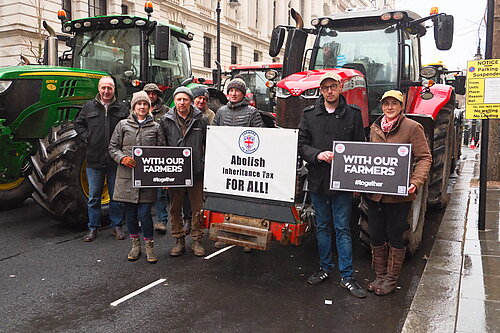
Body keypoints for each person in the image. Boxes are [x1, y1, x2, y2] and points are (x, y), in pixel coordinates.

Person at [297, 72, 366, 298]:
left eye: (333, 86)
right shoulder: (310, 115)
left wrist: (355, 179)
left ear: (340, 87)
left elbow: (359, 147)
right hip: (318, 180)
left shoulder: (353, 115)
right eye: (325, 87)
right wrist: (318, 155)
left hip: (343, 181)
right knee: (323, 226)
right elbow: (302, 145)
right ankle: (325, 268)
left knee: (343, 228)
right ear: (321, 90)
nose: (329, 91)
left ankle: (347, 276)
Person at [366, 90, 432, 296]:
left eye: (394, 103)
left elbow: (424, 157)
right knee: (375, 234)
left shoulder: (413, 127)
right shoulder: (375, 128)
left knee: (395, 235)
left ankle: (391, 280)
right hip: (375, 193)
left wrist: (415, 181)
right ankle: (380, 276)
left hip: (398, 195)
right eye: (386, 104)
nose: (390, 107)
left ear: (401, 106)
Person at [109, 91, 166, 263]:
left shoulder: (156, 127)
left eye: (145, 104)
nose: (142, 107)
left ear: (149, 107)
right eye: (139, 104)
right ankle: (135, 245)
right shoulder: (123, 125)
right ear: (133, 106)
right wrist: (122, 158)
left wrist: (164, 177)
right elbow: (113, 147)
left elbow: (162, 152)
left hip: (147, 179)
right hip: (127, 178)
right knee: (131, 215)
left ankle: (149, 247)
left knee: (145, 214)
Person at [212, 78, 264, 252]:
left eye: (237, 91)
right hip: (226, 163)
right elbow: (214, 135)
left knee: (247, 203)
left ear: (243, 93)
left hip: (247, 165)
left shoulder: (252, 112)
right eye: (231, 90)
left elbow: (261, 138)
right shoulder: (220, 112)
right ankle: (224, 234)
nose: (233, 94)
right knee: (225, 202)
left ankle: (247, 239)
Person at [75, 76, 128, 242]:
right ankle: (93, 228)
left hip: (115, 160)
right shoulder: (89, 107)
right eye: (104, 88)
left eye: (109, 88)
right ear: (99, 89)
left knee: (116, 195)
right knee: (94, 197)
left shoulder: (122, 108)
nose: (106, 91)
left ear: (114, 90)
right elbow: (78, 124)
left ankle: (117, 226)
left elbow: (128, 127)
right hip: (94, 159)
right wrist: (87, 137)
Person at [160, 87, 208, 257]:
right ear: (175, 101)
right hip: (175, 173)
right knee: (175, 208)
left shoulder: (201, 120)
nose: (182, 103)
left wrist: (202, 164)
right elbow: (161, 147)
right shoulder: (165, 121)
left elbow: (208, 146)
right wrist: (164, 174)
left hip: (196, 172)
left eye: (185, 99)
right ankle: (178, 239)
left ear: (190, 101)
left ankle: (197, 241)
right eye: (179, 99)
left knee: (197, 209)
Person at [143, 83, 169, 234]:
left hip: (160, 156)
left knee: (161, 192)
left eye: (154, 93)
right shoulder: (137, 110)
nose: (151, 96)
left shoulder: (165, 111)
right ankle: (144, 220)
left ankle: (161, 220)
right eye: (148, 93)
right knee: (143, 192)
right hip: (143, 158)